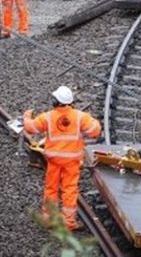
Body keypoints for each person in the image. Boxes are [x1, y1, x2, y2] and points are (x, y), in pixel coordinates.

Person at [22, 86, 102, 231]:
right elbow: (95, 132)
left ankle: (49, 218)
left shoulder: (47, 117)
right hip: (72, 161)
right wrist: (93, 121)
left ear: (55, 101)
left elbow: (30, 128)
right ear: (71, 102)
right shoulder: (80, 117)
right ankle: (69, 222)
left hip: (53, 161)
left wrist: (27, 116)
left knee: (51, 188)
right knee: (70, 189)